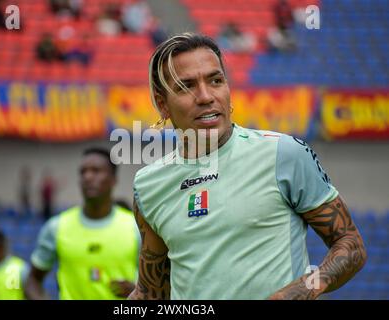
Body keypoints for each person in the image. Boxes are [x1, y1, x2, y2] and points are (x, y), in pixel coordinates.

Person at [128, 33, 367, 300]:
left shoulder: (284, 154)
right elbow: (151, 293)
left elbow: (351, 245)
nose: (206, 96)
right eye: (186, 87)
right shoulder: (148, 185)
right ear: (163, 105)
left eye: (215, 80)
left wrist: (303, 289)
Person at [25, 148, 139, 300]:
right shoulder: (57, 227)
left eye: (96, 171)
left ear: (113, 179)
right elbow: (32, 281)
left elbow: (159, 283)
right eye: (83, 172)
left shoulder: (135, 227)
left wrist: (138, 292)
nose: (88, 177)